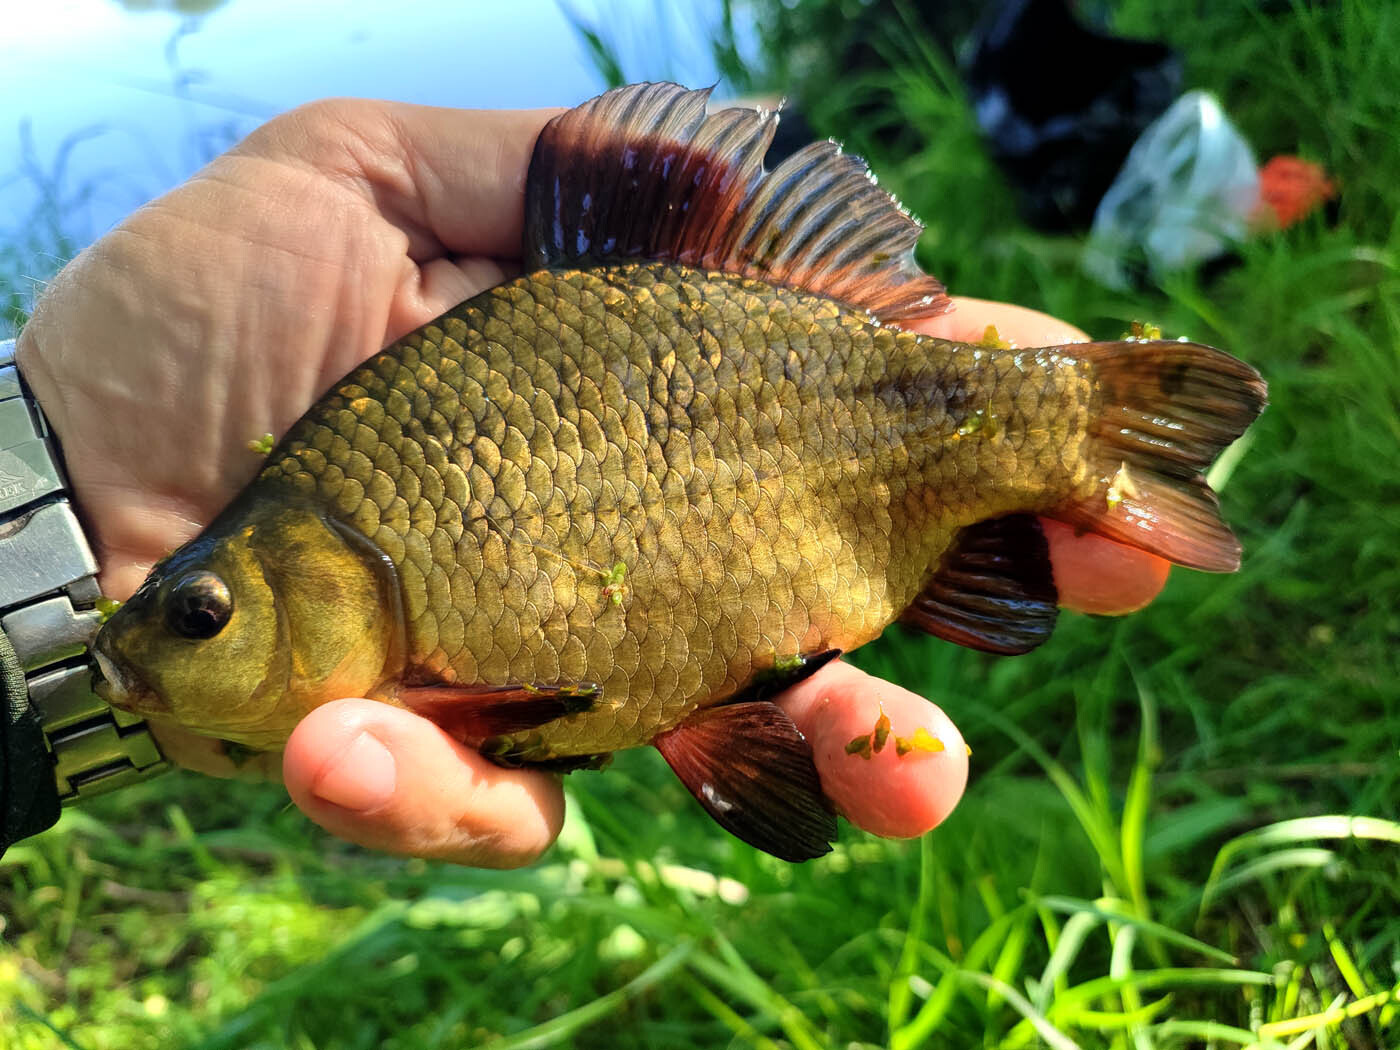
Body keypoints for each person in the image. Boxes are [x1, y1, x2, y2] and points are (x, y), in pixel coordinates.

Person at [9, 98, 1170, 867]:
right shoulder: (340, 484)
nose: (162, 640)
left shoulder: (348, 481)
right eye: (195, 614)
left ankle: (1098, 426)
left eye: (199, 611)